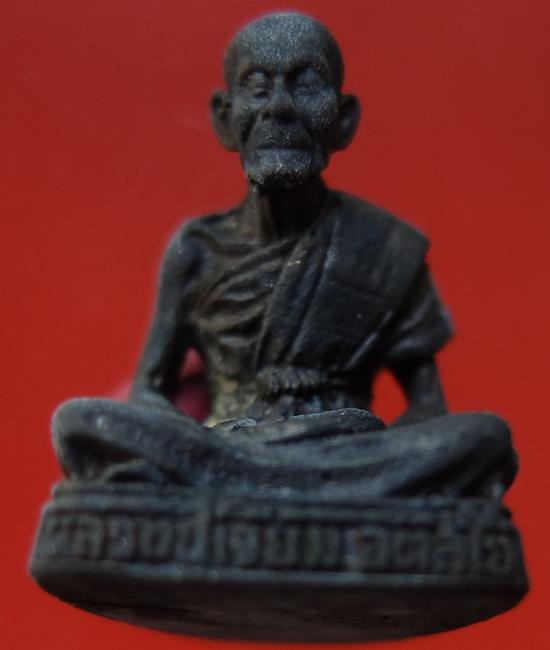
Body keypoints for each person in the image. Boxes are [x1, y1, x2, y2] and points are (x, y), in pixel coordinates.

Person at [53, 13, 517, 500]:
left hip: (344, 446)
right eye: (257, 88)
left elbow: (428, 406)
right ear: (224, 118)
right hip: (225, 442)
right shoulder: (197, 250)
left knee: (484, 438)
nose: (280, 108)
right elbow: (149, 390)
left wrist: (349, 436)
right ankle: (297, 491)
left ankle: (249, 489)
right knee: (80, 421)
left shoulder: (385, 249)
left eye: (307, 85)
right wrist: (193, 437)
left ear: (344, 119)